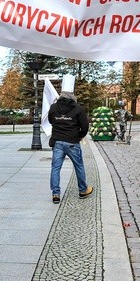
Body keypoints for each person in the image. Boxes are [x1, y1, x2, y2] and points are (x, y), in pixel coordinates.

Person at [48, 75, 93, 204]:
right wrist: (80, 135)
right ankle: (83, 190)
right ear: (72, 94)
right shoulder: (78, 108)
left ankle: (55, 193)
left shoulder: (53, 108)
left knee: (56, 167)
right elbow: (85, 126)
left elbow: (51, 121)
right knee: (78, 165)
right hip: (72, 141)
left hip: (57, 141)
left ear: (61, 94)